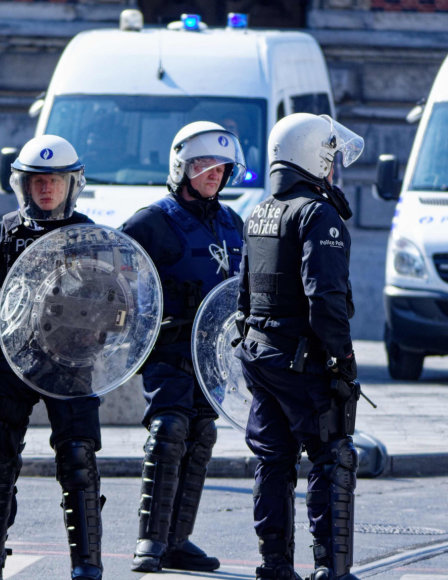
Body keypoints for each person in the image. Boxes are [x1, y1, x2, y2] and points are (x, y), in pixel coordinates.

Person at [0, 134, 104, 580]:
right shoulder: (2, 235)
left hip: (71, 367)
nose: (46, 189)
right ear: (24, 185)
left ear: (72, 184)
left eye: (54, 181)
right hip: (10, 364)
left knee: (78, 459)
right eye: (38, 181)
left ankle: (87, 565)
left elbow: (117, 306)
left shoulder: (90, 237)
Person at [234, 113, 364, 580]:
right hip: (302, 360)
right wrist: (343, 361)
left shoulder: (261, 210)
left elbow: (244, 294)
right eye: (329, 156)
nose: (333, 166)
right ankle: (331, 568)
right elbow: (325, 299)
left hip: (261, 354)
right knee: (332, 458)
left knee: (273, 460)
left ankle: (274, 566)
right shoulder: (316, 213)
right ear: (314, 156)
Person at [120, 121, 246, 573]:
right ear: (182, 167)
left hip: (213, 356)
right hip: (169, 348)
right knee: (169, 429)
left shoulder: (234, 223)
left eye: (221, 167)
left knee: (200, 435)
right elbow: (112, 277)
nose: (213, 173)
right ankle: (149, 542)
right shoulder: (151, 221)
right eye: (203, 164)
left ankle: (178, 540)